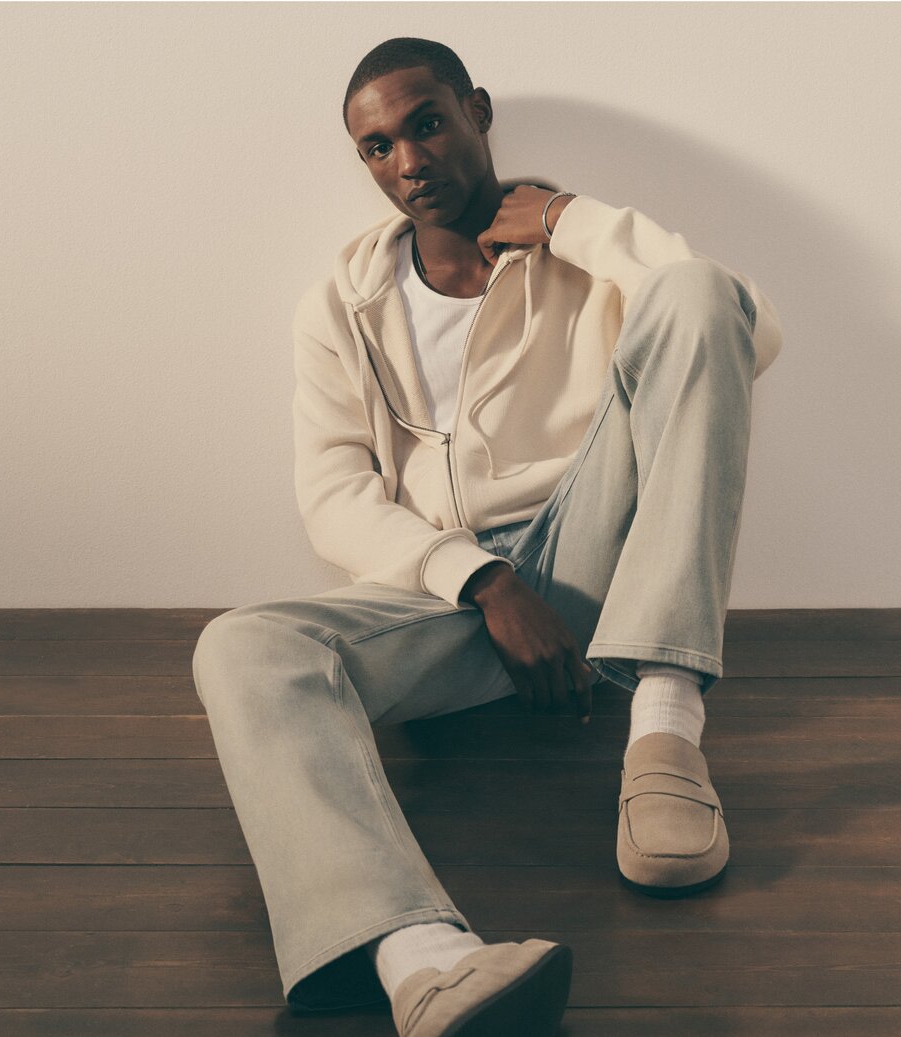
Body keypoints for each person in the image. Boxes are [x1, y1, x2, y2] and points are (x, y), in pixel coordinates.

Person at [190, 36, 784, 1037]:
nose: (407, 162)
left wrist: (569, 219)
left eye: (423, 123)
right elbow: (333, 494)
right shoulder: (340, 303)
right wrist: (477, 579)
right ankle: (419, 961)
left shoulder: (583, 252)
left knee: (692, 289)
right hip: (450, 591)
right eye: (376, 147)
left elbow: (741, 328)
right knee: (239, 645)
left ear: (476, 110)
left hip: (597, 556)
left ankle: (665, 734)